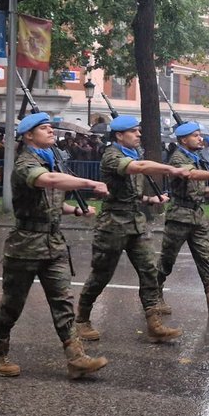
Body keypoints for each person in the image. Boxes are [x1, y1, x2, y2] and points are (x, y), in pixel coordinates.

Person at [0, 112, 111, 379]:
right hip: (25, 245)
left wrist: (74, 211)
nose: (51, 131)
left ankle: (76, 357)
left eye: (50, 128)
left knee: (63, 301)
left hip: (53, 244)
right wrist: (91, 183)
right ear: (29, 135)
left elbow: (52, 201)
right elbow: (50, 182)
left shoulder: (51, 161)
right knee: (12, 304)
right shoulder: (25, 164)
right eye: (44, 128)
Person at [74, 115, 192, 342]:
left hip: (135, 223)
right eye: (133, 131)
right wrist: (172, 169)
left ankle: (154, 324)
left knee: (149, 271)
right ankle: (81, 319)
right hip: (113, 225)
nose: (139, 134)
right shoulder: (112, 156)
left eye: (139, 130)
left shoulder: (132, 154)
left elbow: (133, 193)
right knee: (101, 274)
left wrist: (149, 200)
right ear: (119, 135)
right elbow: (138, 167)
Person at [156, 121, 209, 316]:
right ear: (183, 140)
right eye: (195, 136)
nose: (200, 138)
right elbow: (191, 176)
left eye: (199, 135)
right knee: (168, 259)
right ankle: (155, 295)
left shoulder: (195, 157)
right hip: (180, 216)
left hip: (196, 215)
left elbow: (197, 190)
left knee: (205, 257)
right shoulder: (178, 158)